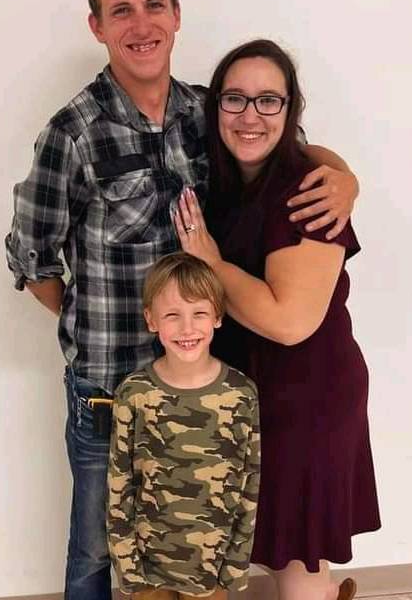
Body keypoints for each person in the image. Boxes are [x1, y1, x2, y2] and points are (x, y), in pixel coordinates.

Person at [5, 0, 359, 599]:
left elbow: (289, 151)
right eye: (121, 10)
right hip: (112, 389)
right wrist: (95, 322)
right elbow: (33, 257)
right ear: (97, 26)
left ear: (176, 14)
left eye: (154, 5)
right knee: (98, 551)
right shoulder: (72, 133)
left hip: (203, 381)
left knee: (195, 546)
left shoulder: (209, 114)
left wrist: (345, 177)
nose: (140, 24)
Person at [175, 39, 381, 600]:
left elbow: (291, 322)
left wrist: (211, 264)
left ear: (290, 111)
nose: (250, 115)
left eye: (269, 100)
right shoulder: (229, 179)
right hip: (251, 394)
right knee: (267, 546)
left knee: (296, 560)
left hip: (307, 399)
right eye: (235, 99)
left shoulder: (307, 193)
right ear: (214, 106)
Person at [106, 252, 260, 600]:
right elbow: (119, 485)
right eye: (172, 315)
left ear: (217, 316)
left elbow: (249, 482)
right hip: (147, 570)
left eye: (199, 313)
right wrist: (128, 567)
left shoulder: (241, 394)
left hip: (212, 570)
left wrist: (235, 567)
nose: (187, 328)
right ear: (151, 320)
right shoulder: (134, 393)